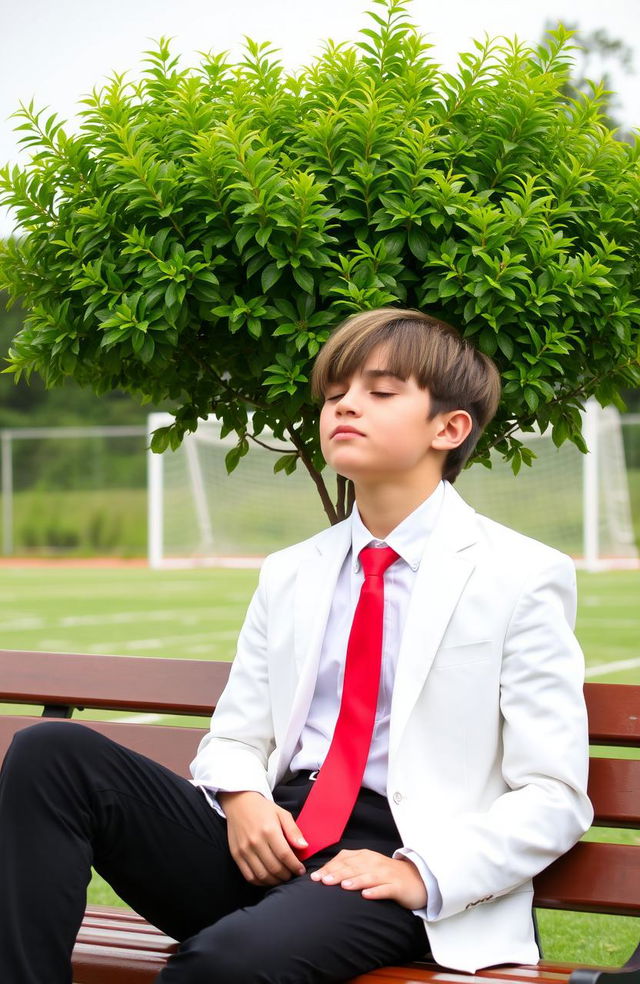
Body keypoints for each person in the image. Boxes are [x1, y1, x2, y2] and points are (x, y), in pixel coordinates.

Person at [0, 307, 593, 984]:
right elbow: (235, 737)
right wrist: (243, 798)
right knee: (52, 754)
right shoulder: (293, 570)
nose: (345, 407)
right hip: (271, 838)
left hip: (391, 865)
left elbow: (553, 792)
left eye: (380, 391)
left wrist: (415, 872)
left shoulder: (518, 575)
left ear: (449, 427)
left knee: (222, 968)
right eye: (335, 394)